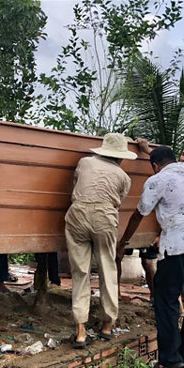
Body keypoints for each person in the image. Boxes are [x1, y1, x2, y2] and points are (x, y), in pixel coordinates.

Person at [117, 146, 184, 368]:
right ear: (175, 159)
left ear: (154, 166)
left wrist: (123, 242)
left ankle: (170, 358)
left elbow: (139, 213)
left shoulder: (156, 180)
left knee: (167, 301)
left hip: (178, 249)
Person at [65, 133, 136, 348]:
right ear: (121, 157)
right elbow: (117, 202)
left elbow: (76, 183)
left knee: (80, 272)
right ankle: (107, 325)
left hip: (77, 214)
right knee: (107, 269)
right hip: (105, 218)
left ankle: (80, 331)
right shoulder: (124, 176)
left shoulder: (84, 162)